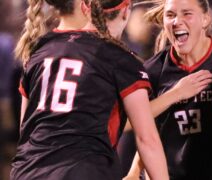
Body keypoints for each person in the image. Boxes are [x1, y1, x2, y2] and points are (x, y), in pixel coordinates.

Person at [10, 0, 169, 179]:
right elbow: (147, 140)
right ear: (126, 12)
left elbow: (26, 128)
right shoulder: (120, 59)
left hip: (28, 170)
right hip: (84, 169)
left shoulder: (40, 49)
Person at [124, 0, 212, 179]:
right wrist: (175, 94)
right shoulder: (154, 70)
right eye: (170, 15)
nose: (177, 21)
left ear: (205, 19)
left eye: (187, 14)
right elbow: (131, 123)